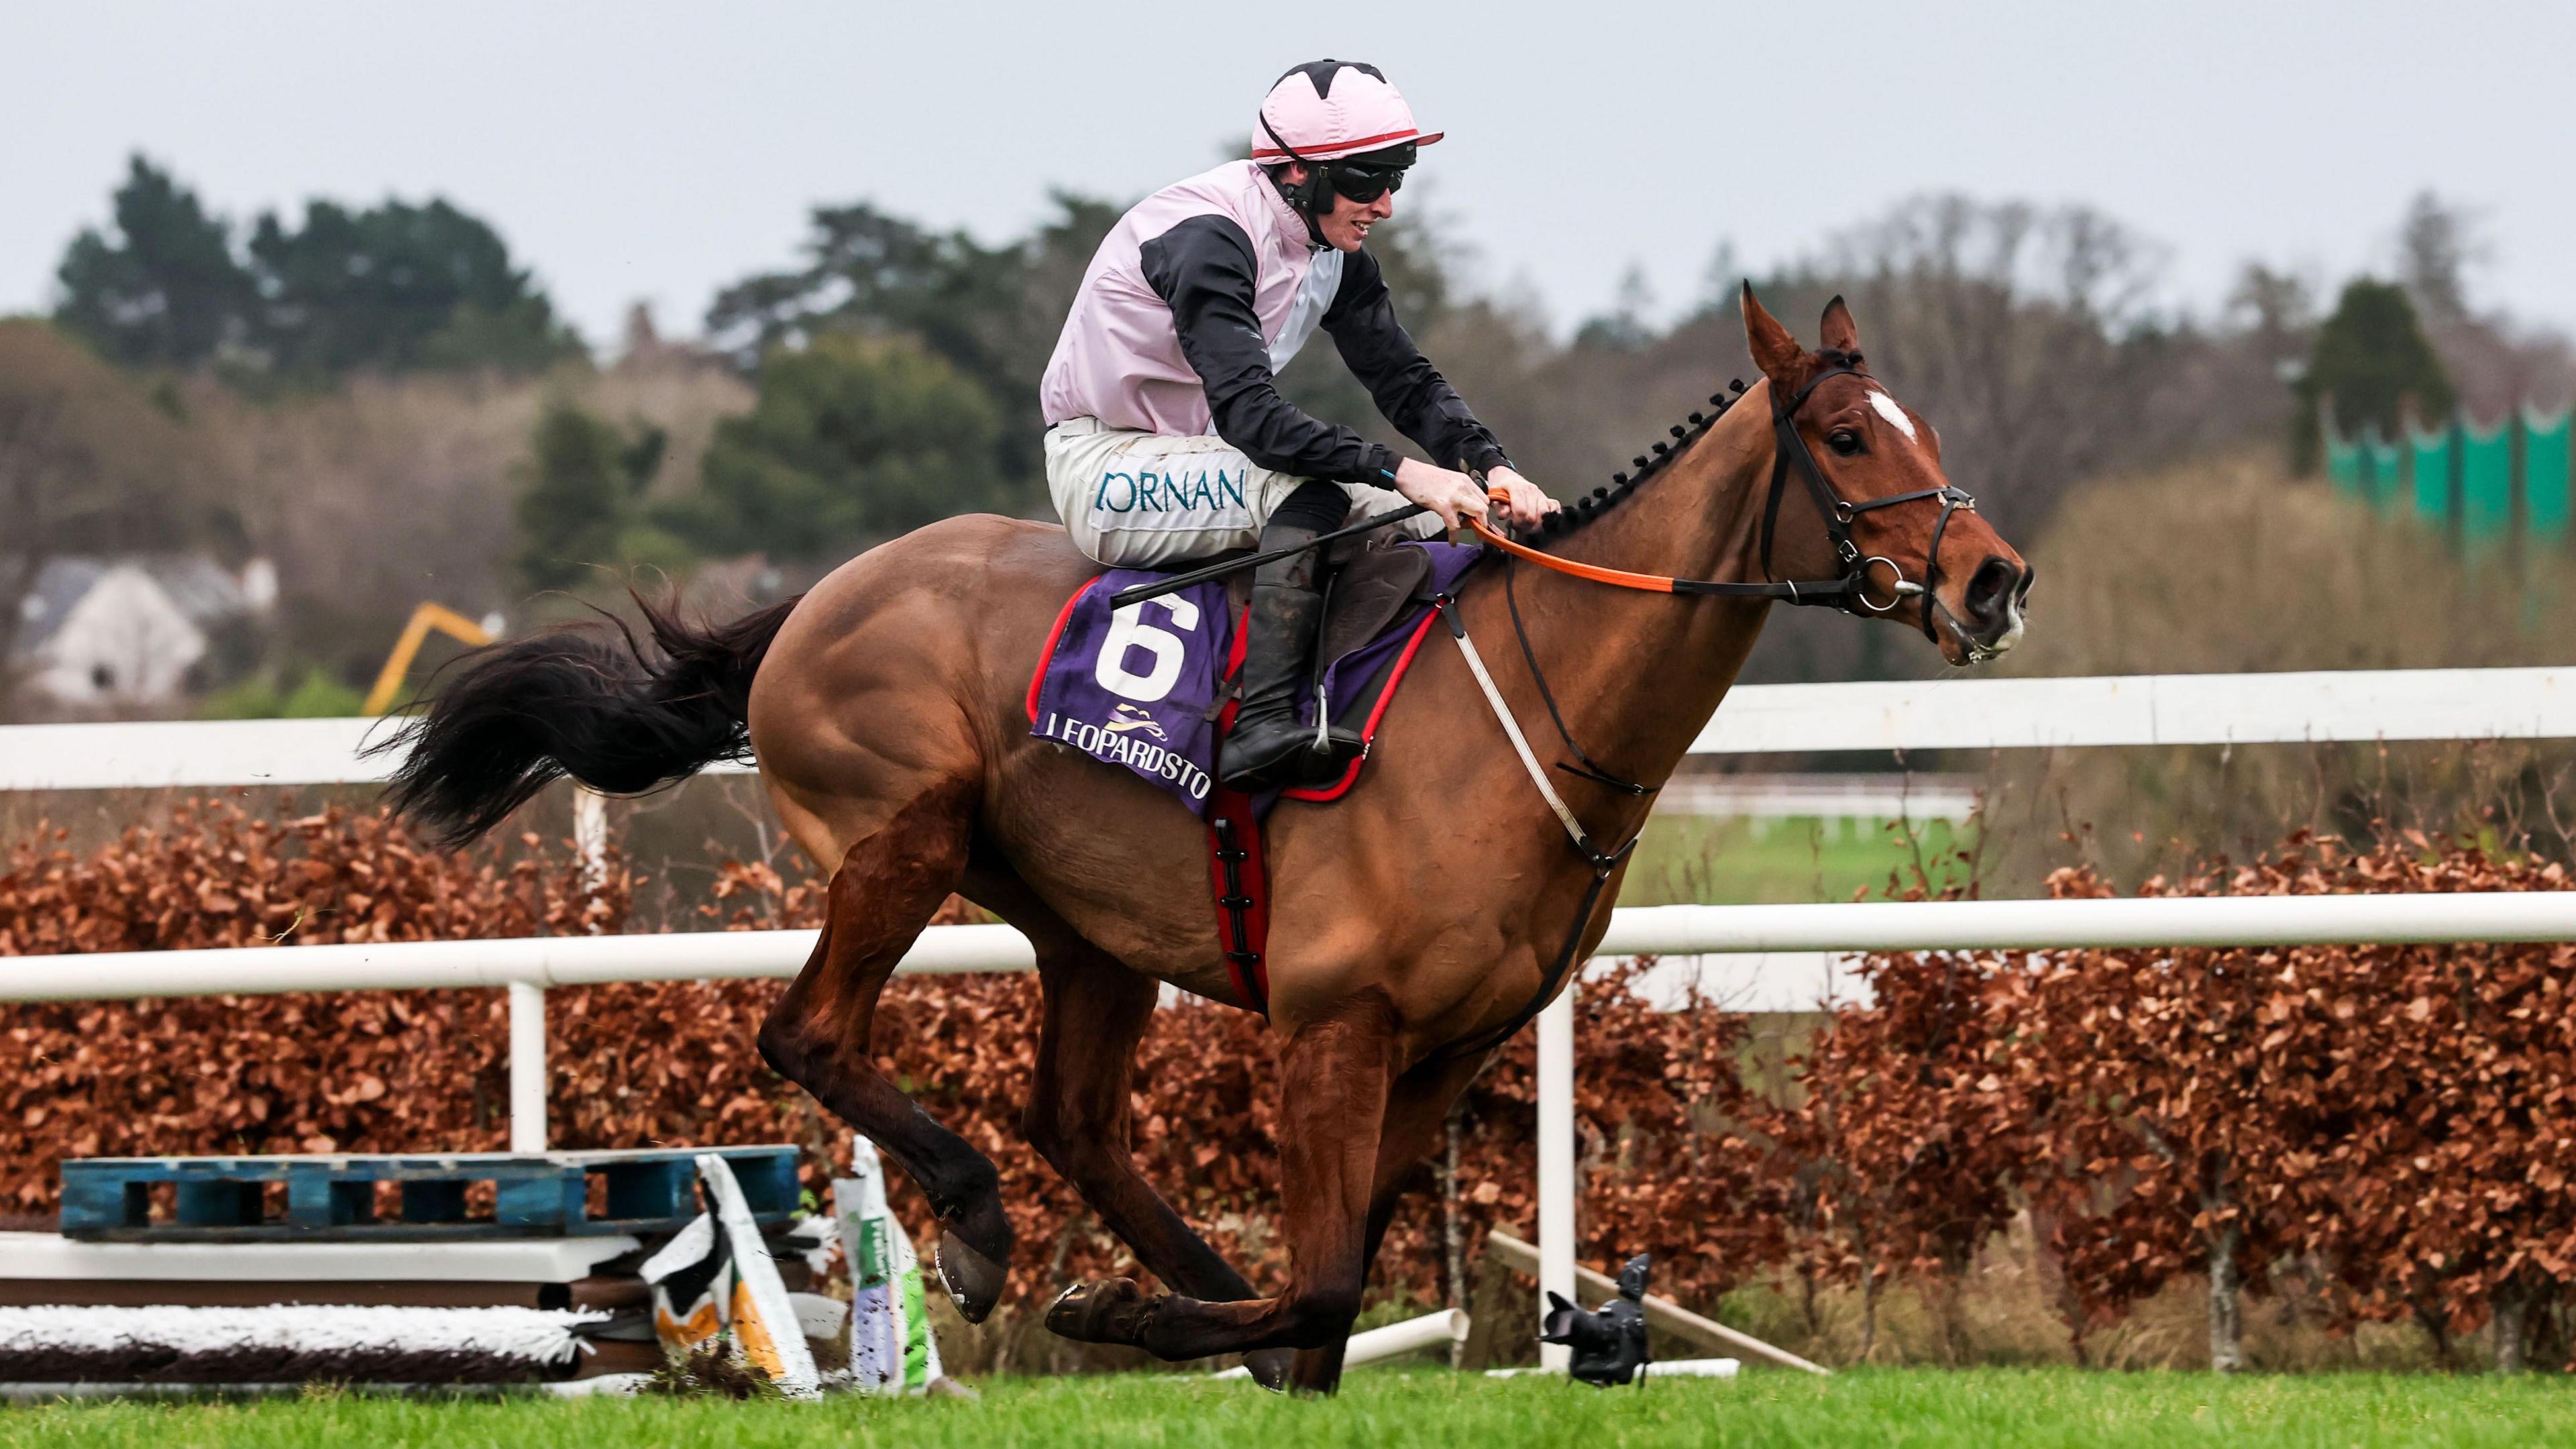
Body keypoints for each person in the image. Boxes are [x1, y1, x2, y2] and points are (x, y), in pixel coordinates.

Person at [1040, 58, 1556, 792]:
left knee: (1438, 519)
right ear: (1295, 173)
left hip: (1207, 461)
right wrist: (1404, 468)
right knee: (1318, 493)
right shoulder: (1210, 238)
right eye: (1367, 179)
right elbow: (1254, 419)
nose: (1384, 204)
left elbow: (1404, 380)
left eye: (1396, 179)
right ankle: (1263, 725)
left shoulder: (1333, 253)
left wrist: (1491, 469)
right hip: (1110, 464)